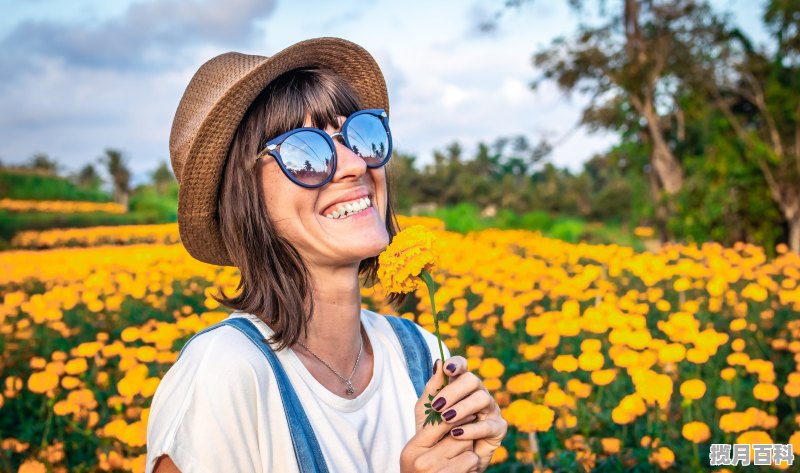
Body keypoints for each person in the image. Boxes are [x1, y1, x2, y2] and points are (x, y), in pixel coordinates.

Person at [145, 37, 507, 473]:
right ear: (244, 200)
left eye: (360, 134)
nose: (355, 164)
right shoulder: (226, 373)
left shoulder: (421, 352)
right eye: (305, 152)